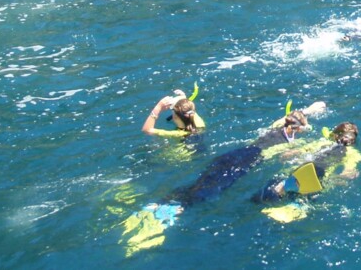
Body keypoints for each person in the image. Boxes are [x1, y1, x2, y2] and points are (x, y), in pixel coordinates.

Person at [119, 101, 327, 254]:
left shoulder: (276, 126)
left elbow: (290, 117)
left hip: (233, 154)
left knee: (202, 181)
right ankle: (173, 209)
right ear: (298, 129)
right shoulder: (293, 143)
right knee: (210, 189)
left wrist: (308, 111)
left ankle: (163, 203)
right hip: (247, 162)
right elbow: (295, 152)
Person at [254, 122, 361, 222]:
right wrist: (342, 178)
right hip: (316, 182)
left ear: (335, 135)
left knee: (267, 193)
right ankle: (297, 205)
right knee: (306, 199)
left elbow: (297, 151)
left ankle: (283, 188)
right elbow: (348, 172)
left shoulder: (322, 143)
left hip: (299, 172)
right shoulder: (353, 154)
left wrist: (289, 153)